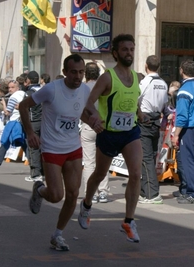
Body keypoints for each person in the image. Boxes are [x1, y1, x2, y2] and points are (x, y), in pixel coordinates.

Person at [19, 54, 91, 251]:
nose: (78, 76)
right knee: (56, 195)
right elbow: (23, 106)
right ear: (65, 72)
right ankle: (40, 190)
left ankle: (57, 235)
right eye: (74, 72)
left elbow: (80, 112)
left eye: (81, 72)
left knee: (74, 193)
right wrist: (30, 132)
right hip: (51, 147)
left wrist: (93, 121)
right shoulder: (51, 89)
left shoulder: (85, 90)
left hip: (73, 147)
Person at [78, 34, 144, 243]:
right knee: (99, 173)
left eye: (132, 49)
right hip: (108, 133)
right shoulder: (107, 77)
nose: (129, 53)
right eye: (125, 49)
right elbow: (89, 102)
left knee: (135, 174)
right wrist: (94, 116)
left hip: (130, 132)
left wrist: (140, 113)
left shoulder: (136, 77)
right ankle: (87, 205)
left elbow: (133, 101)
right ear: (116, 53)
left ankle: (129, 221)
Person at [171, 59, 194, 204]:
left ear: (181, 70)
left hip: (188, 128)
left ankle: (192, 193)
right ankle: (191, 190)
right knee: (193, 160)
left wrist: (176, 134)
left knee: (188, 161)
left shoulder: (184, 90)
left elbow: (182, 116)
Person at [137, 55, 169, 204]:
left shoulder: (145, 82)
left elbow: (136, 99)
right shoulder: (163, 83)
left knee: (146, 158)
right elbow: (164, 104)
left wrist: (139, 113)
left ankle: (151, 194)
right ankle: (145, 192)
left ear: (145, 66)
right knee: (150, 156)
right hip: (156, 119)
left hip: (145, 119)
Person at [81, 62, 111, 204]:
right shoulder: (104, 87)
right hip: (104, 125)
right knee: (104, 161)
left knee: (89, 162)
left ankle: (90, 193)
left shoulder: (82, 88)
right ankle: (103, 192)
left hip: (88, 125)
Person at [0, 80, 27, 175]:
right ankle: (36, 169)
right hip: (24, 122)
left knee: (5, 143)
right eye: (9, 87)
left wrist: (3, 103)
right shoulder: (25, 94)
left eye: (12, 87)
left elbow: (7, 112)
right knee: (25, 145)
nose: (10, 89)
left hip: (14, 123)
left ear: (17, 87)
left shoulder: (13, 97)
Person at [23, 71, 44, 182]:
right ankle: (44, 172)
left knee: (33, 147)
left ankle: (35, 174)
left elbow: (25, 107)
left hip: (34, 121)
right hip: (45, 121)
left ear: (29, 80)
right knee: (43, 147)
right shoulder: (43, 90)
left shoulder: (29, 92)